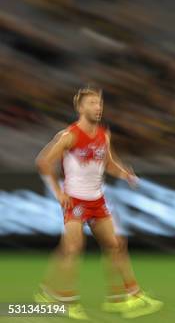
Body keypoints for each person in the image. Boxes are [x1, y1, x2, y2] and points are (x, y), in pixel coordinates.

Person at [34, 87, 163, 320]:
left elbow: (109, 163)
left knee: (114, 245)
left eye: (100, 103)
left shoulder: (104, 134)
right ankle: (66, 300)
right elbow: (44, 162)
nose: (98, 107)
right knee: (73, 248)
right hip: (75, 200)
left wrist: (125, 174)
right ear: (80, 107)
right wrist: (57, 193)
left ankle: (125, 297)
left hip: (97, 200)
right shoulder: (69, 135)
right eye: (93, 103)